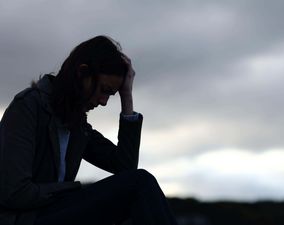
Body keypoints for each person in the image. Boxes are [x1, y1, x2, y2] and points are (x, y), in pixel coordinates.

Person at [0, 36, 178, 225]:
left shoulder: (76, 124)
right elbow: (14, 192)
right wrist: (72, 191)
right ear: (81, 73)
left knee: (139, 182)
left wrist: (126, 96)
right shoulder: (28, 106)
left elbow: (124, 167)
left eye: (111, 94)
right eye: (103, 90)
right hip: (24, 220)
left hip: (56, 213)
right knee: (140, 182)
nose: (103, 101)